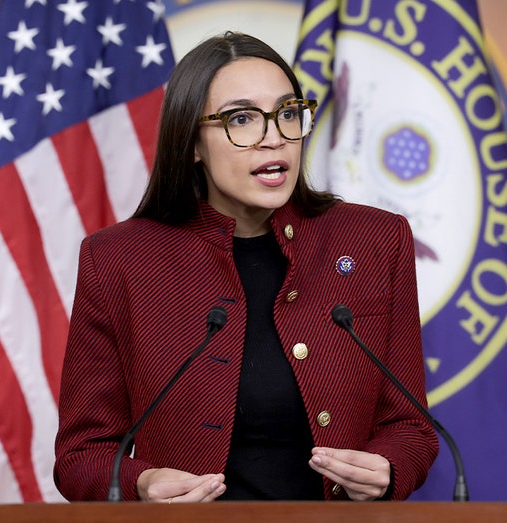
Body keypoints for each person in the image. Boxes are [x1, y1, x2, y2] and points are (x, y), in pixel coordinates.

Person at [54, 31, 438, 504]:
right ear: (191, 143)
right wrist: (141, 484)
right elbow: (81, 454)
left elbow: (410, 427)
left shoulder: (374, 241)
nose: (274, 137)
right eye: (241, 119)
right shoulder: (119, 260)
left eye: (288, 113)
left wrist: (388, 468)